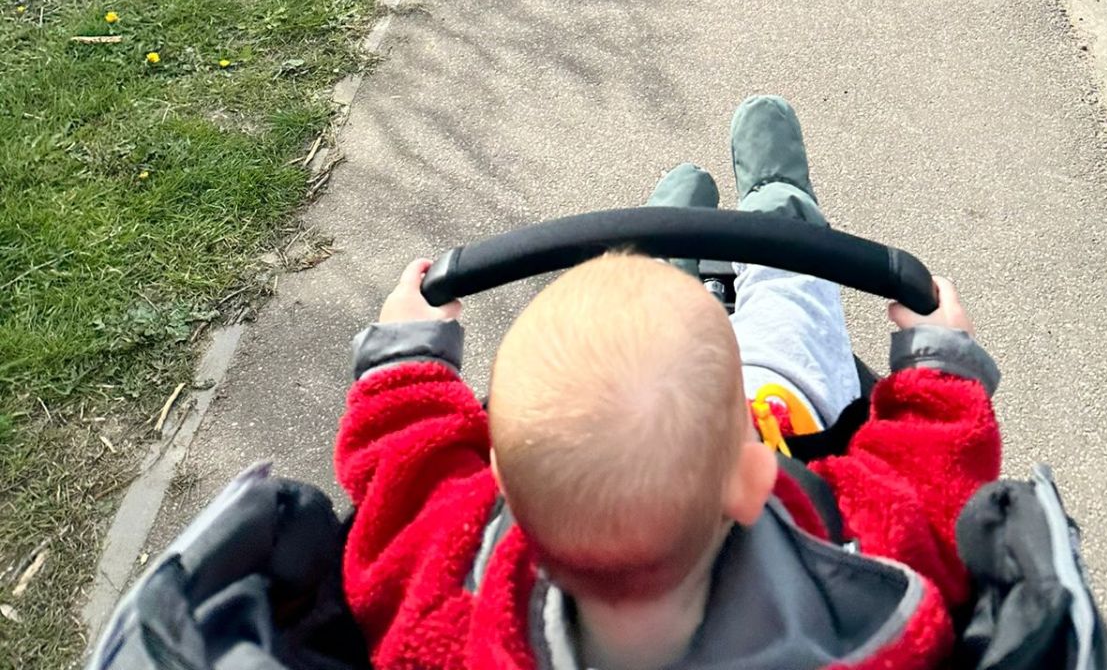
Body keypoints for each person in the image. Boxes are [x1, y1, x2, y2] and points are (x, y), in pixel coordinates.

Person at [336, 97, 1003, 670]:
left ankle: (661, 260)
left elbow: (405, 475)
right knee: (791, 319)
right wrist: (941, 365)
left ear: (498, 490)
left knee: (651, 338)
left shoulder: (450, 617)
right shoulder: (861, 591)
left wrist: (405, 363)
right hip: (788, 402)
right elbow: (930, 486)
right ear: (754, 479)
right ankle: (777, 214)